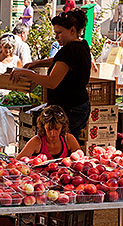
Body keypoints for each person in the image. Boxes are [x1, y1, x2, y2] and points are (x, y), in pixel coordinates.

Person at [10, 9, 91, 141]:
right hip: (79, 104)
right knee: (67, 143)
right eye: (55, 33)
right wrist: (35, 64)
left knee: (63, 145)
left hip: (70, 107)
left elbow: (52, 82)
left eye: (59, 33)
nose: (56, 37)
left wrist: (27, 73)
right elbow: (58, 61)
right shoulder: (81, 44)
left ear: (72, 30)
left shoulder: (70, 50)